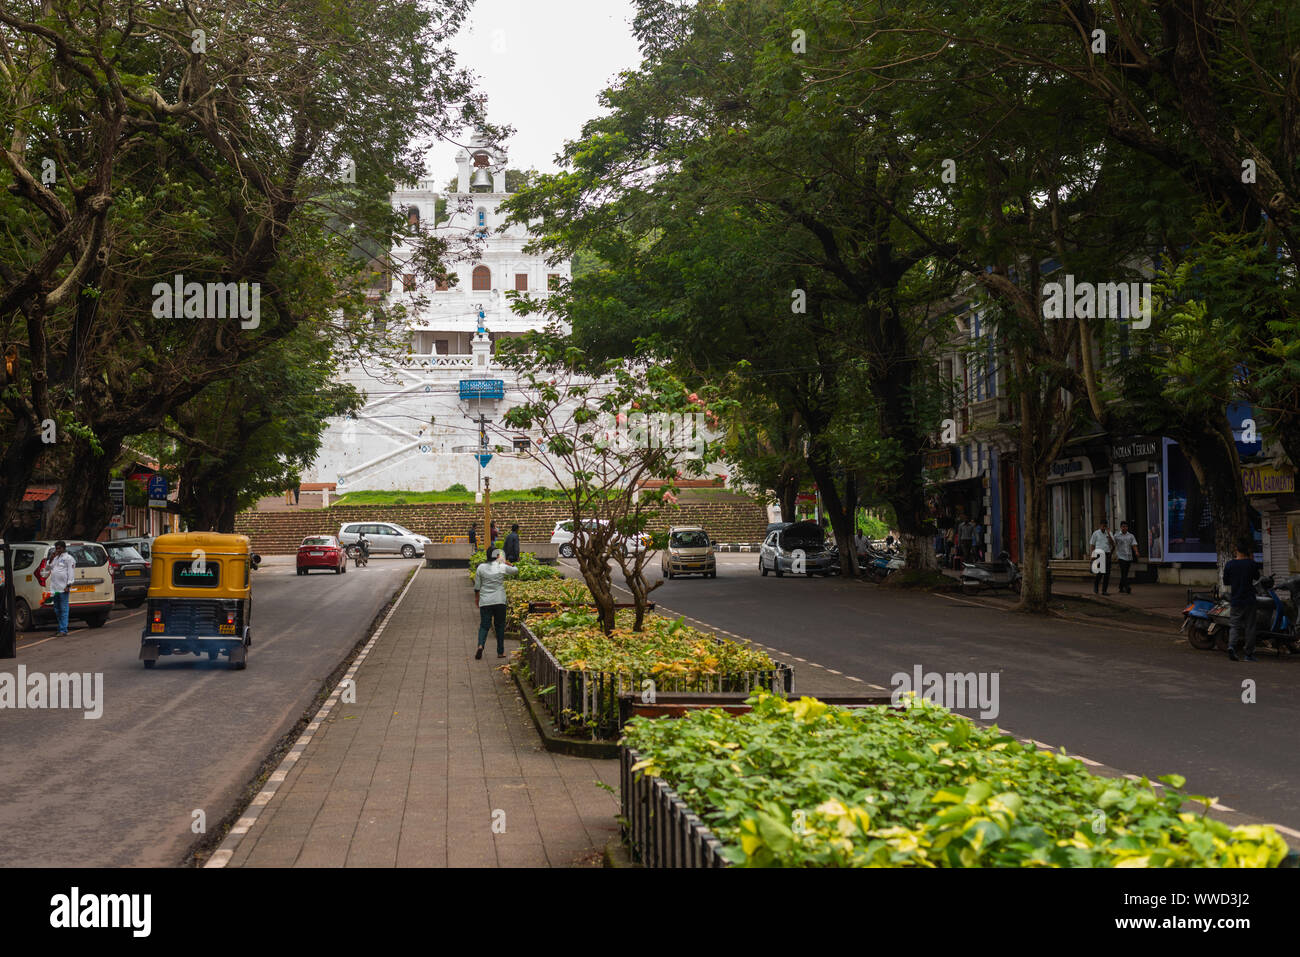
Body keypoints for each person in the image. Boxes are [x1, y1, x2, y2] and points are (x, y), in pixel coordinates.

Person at [473, 547, 518, 659]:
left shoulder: (481, 568)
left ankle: (480, 645)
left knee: (484, 626)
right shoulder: (501, 567)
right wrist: (508, 563)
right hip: (499, 600)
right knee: (500, 626)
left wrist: (477, 599)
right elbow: (516, 571)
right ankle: (500, 652)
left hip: (485, 601)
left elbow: (477, 586)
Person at [1223, 536, 1261, 662]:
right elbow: (1257, 577)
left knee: (1234, 625)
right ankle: (1248, 654)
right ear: (1248, 552)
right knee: (1250, 626)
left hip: (1236, 599)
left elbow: (1226, 581)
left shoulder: (1230, 565)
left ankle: (1231, 646)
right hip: (1249, 600)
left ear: (1236, 551)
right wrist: (1252, 560)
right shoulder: (1251, 564)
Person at [45, 541, 77, 637]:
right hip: (54, 588)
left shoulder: (69, 558)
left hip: (63, 588)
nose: (57, 550)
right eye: (56, 548)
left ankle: (63, 630)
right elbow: (47, 569)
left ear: (64, 548)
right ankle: (60, 628)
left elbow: (71, 572)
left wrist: (69, 585)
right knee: (57, 609)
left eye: (59, 548)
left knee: (63, 609)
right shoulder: (55, 558)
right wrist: (50, 559)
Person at [1089, 519, 1115, 595]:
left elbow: (1113, 544)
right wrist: (1092, 555)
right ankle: (1096, 585)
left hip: (1107, 554)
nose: (1104, 527)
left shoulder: (1109, 533)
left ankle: (1104, 590)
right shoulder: (1096, 533)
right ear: (1100, 525)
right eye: (1103, 525)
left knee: (1107, 574)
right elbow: (1092, 544)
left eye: (1105, 525)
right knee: (1100, 572)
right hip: (1099, 554)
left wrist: (1109, 535)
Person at [1113, 520, 1140, 594]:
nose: (1124, 528)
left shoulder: (1131, 536)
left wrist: (1136, 552)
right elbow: (1113, 544)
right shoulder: (1116, 535)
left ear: (1127, 527)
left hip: (1128, 556)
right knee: (1124, 571)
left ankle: (1121, 587)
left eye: (1126, 527)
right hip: (1121, 556)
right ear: (1121, 527)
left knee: (1125, 573)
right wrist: (1113, 555)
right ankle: (1127, 587)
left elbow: (1134, 544)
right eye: (1123, 527)